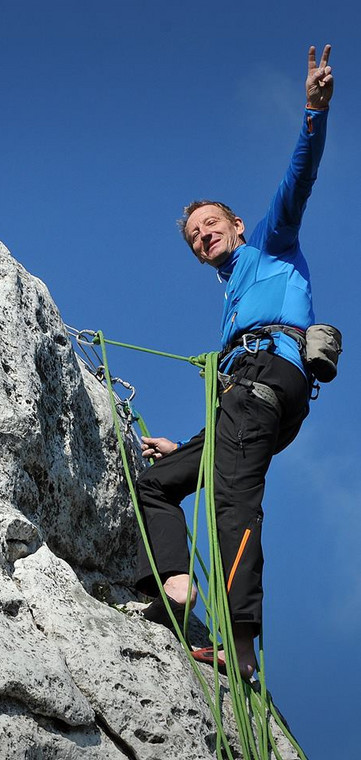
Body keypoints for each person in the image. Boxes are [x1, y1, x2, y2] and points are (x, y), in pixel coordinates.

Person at [135, 45, 334, 681]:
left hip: (266, 383)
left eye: (211, 225)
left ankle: (242, 646)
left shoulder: (272, 248)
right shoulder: (232, 299)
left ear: (238, 225)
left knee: (232, 504)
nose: (204, 236)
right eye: (195, 236)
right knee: (157, 483)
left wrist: (313, 112)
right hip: (248, 399)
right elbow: (237, 403)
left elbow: (297, 182)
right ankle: (176, 586)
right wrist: (189, 444)